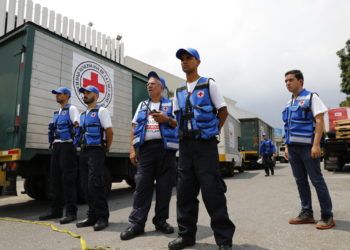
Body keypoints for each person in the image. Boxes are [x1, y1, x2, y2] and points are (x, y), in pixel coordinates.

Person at [168, 48, 235, 250]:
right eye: (182, 59)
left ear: (198, 62)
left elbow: (223, 111)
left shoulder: (208, 84)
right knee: (185, 193)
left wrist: (212, 131)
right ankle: (186, 236)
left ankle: (224, 240)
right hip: (185, 146)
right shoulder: (178, 91)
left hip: (205, 146)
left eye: (189, 58)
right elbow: (177, 118)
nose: (185, 61)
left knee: (212, 192)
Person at [120, 71, 179, 240]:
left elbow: (178, 124)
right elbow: (133, 128)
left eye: (153, 83)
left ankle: (160, 221)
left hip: (166, 151)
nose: (149, 85)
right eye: (148, 84)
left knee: (164, 188)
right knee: (142, 188)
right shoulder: (142, 105)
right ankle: (137, 224)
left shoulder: (172, 104)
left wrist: (166, 119)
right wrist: (132, 149)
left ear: (161, 87)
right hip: (145, 151)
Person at [282, 69, 335, 229]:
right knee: (300, 181)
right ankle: (307, 213)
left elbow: (319, 122)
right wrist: (286, 146)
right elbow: (288, 126)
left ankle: (327, 216)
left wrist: (316, 144)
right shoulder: (289, 103)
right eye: (285, 81)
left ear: (301, 81)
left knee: (317, 180)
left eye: (291, 80)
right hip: (293, 149)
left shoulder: (312, 97)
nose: (287, 83)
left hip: (308, 148)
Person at [75, 85, 113, 231]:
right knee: (85, 184)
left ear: (96, 95)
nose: (85, 95)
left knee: (95, 183)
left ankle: (103, 217)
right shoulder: (83, 114)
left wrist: (105, 148)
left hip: (96, 150)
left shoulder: (101, 111)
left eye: (88, 92)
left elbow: (109, 131)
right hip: (84, 151)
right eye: (83, 93)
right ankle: (92, 216)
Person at [39, 87, 79, 224]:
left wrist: (74, 144)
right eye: (56, 94)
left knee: (68, 180)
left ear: (67, 96)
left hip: (67, 146)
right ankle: (55, 211)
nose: (57, 96)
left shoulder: (72, 109)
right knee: (55, 179)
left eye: (60, 94)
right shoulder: (56, 113)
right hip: (56, 147)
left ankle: (71, 212)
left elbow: (77, 127)